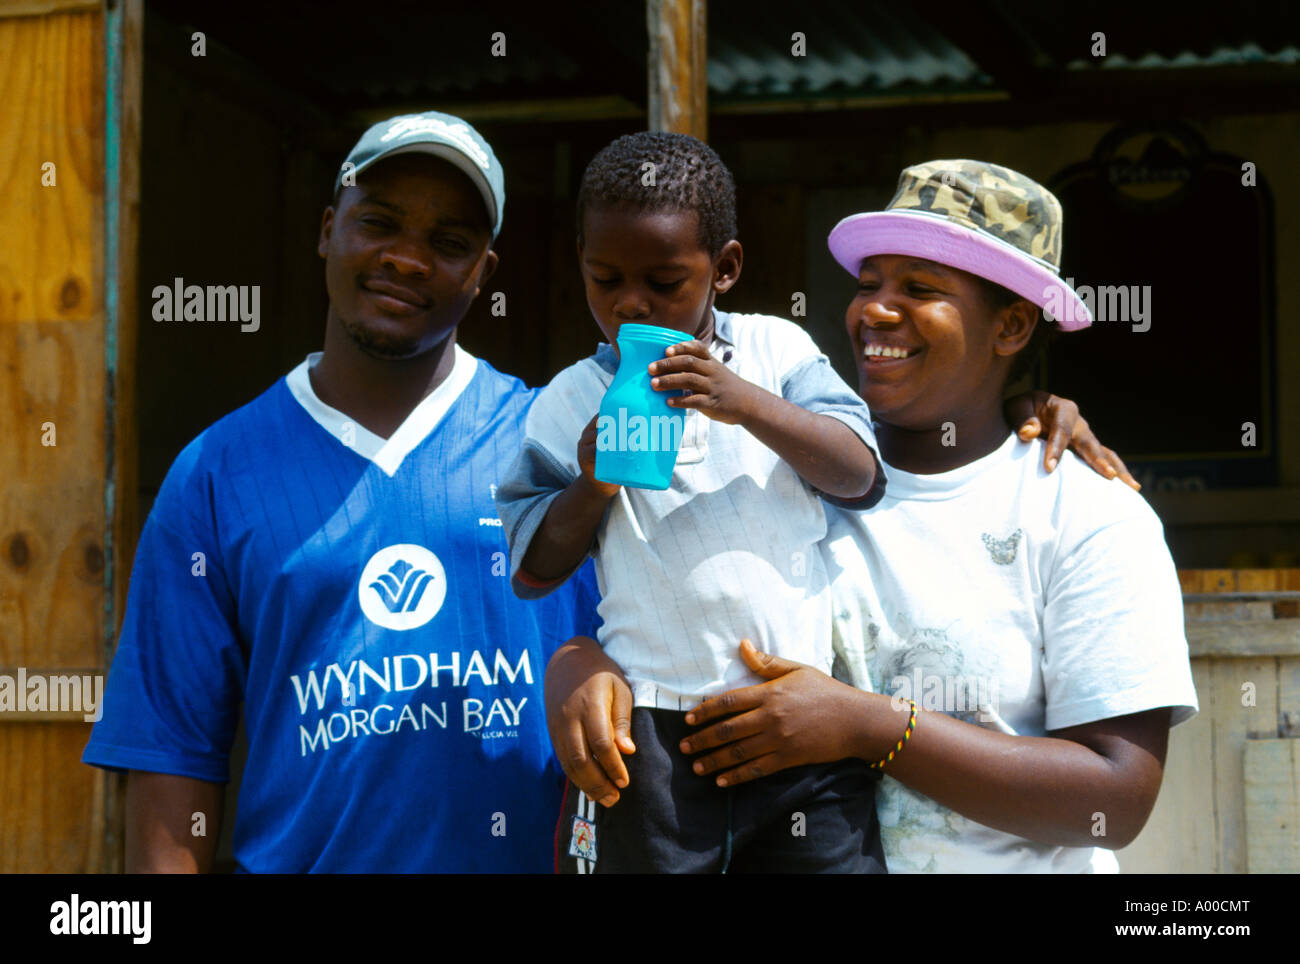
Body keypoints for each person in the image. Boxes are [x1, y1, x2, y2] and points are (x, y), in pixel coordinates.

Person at [548, 160, 1195, 873]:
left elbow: (1117, 798)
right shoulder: (780, 467)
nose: (874, 311)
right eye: (868, 284)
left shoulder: (1082, 513)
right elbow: (659, 597)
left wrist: (868, 727)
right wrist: (579, 662)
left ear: (1012, 324)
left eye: (919, 289)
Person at [82, 111, 601, 873]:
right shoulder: (215, 473)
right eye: (379, 223)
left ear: (484, 271)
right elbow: (170, 756)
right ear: (329, 229)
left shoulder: (553, 443)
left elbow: (647, 668)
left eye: (449, 243)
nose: (407, 259)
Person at [496, 131, 888, 873]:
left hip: (800, 720)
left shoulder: (775, 354)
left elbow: (858, 474)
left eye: (664, 282)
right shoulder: (569, 400)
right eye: (603, 278)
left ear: (725, 269)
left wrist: (745, 403)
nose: (628, 303)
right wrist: (592, 484)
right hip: (651, 734)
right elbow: (533, 568)